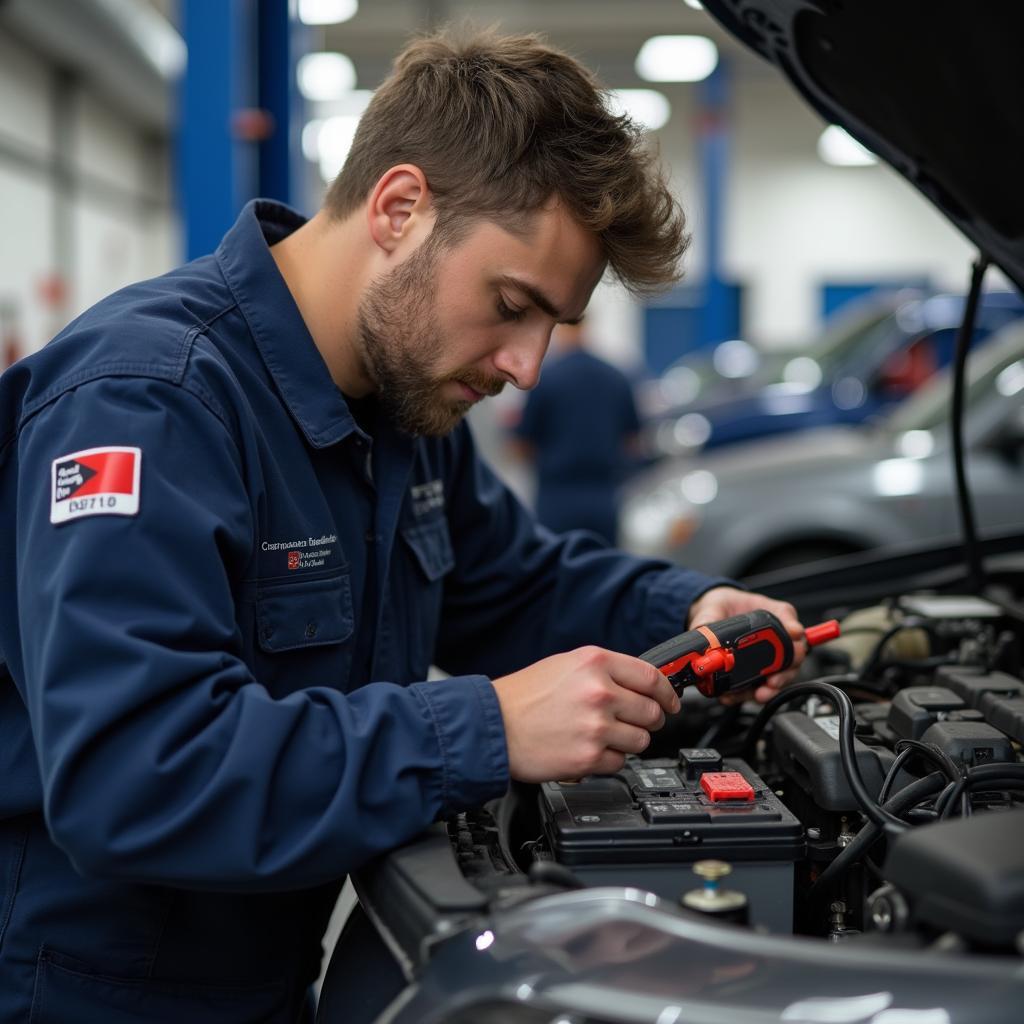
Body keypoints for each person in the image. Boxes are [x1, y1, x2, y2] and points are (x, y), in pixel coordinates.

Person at [0, 28, 806, 1024]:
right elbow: (136, 773)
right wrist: (485, 726)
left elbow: (511, 585)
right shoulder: (149, 403)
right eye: (511, 304)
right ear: (399, 207)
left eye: (551, 324)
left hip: (268, 969)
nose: (527, 367)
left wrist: (689, 607)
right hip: (91, 996)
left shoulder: (404, 405)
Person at [512, 320, 641, 542]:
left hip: (557, 495)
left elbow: (521, 445)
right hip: (604, 495)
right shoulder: (616, 376)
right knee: (605, 568)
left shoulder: (546, 378)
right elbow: (633, 440)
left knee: (553, 567)